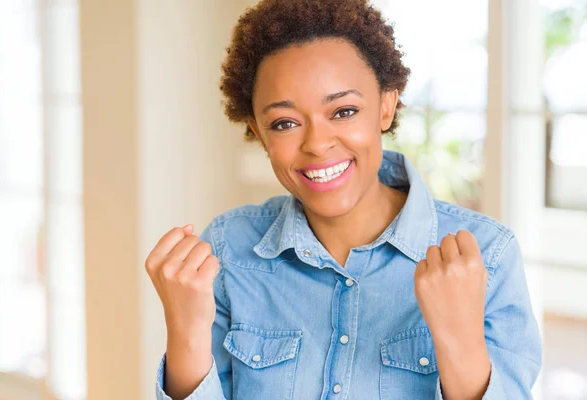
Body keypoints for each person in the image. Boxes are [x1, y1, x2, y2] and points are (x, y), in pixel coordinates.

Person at [146, 0, 542, 399]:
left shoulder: (488, 256)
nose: (317, 144)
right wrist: (186, 332)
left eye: (343, 111)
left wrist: (460, 340)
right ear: (259, 132)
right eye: (285, 123)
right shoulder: (227, 249)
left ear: (386, 106)